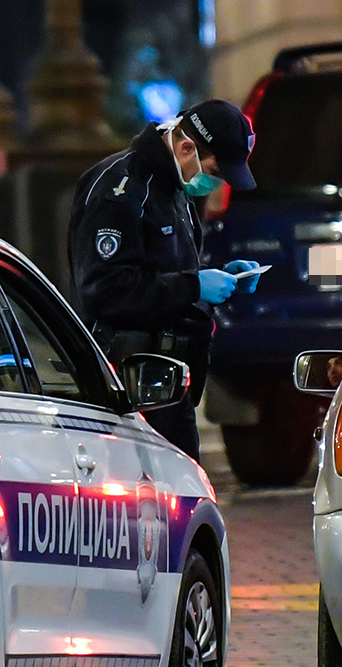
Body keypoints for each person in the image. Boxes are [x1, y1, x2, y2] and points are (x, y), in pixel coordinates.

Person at [67, 99, 264, 459]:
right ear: (186, 147)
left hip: (167, 386)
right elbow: (105, 291)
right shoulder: (119, 188)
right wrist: (194, 285)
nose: (213, 184)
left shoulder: (175, 188)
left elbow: (165, 277)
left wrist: (215, 283)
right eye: (214, 171)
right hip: (127, 389)